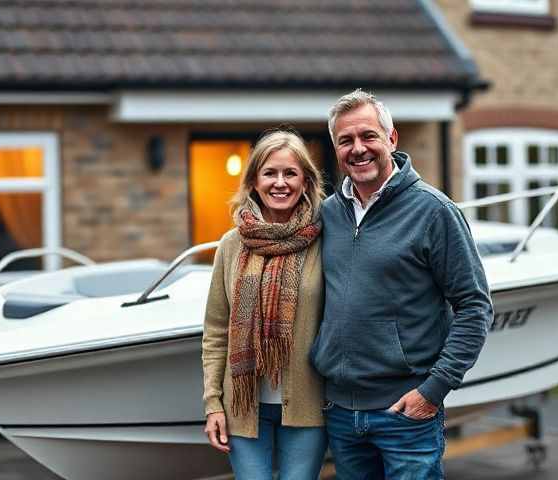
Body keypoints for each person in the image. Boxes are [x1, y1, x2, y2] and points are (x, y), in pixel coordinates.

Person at [309, 89, 493, 479]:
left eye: (368, 136)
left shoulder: (434, 211)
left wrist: (433, 391)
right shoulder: (328, 214)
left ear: (391, 139)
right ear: (335, 148)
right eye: (345, 140)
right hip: (341, 413)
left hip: (406, 414)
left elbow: (475, 307)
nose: (358, 148)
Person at [202, 129, 328, 479]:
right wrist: (213, 403)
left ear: (305, 180)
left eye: (290, 173)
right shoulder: (231, 245)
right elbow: (215, 332)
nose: (280, 182)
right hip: (243, 407)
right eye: (270, 173)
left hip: (307, 406)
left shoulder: (325, 240)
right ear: (254, 181)